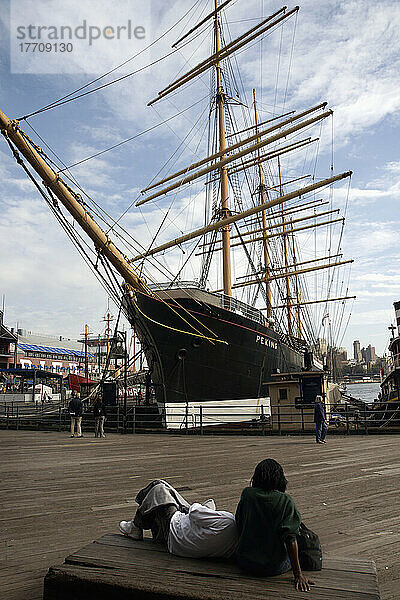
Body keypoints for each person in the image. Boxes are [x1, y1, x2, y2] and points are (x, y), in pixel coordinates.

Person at [235, 459, 315, 592]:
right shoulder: (285, 500)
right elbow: (290, 540)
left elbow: (239, 520)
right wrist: (298, 575)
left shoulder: (248, 495)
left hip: (245, 563)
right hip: (273, 567)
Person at [119, 479, 238, 559]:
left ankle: (136, 525)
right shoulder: (236, 541)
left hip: (174, 527)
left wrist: (202, 508)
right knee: (164, 492)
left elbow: (194, 512)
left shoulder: (228, 521)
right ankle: (142, 519)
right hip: (182, 545)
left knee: (158, 488)